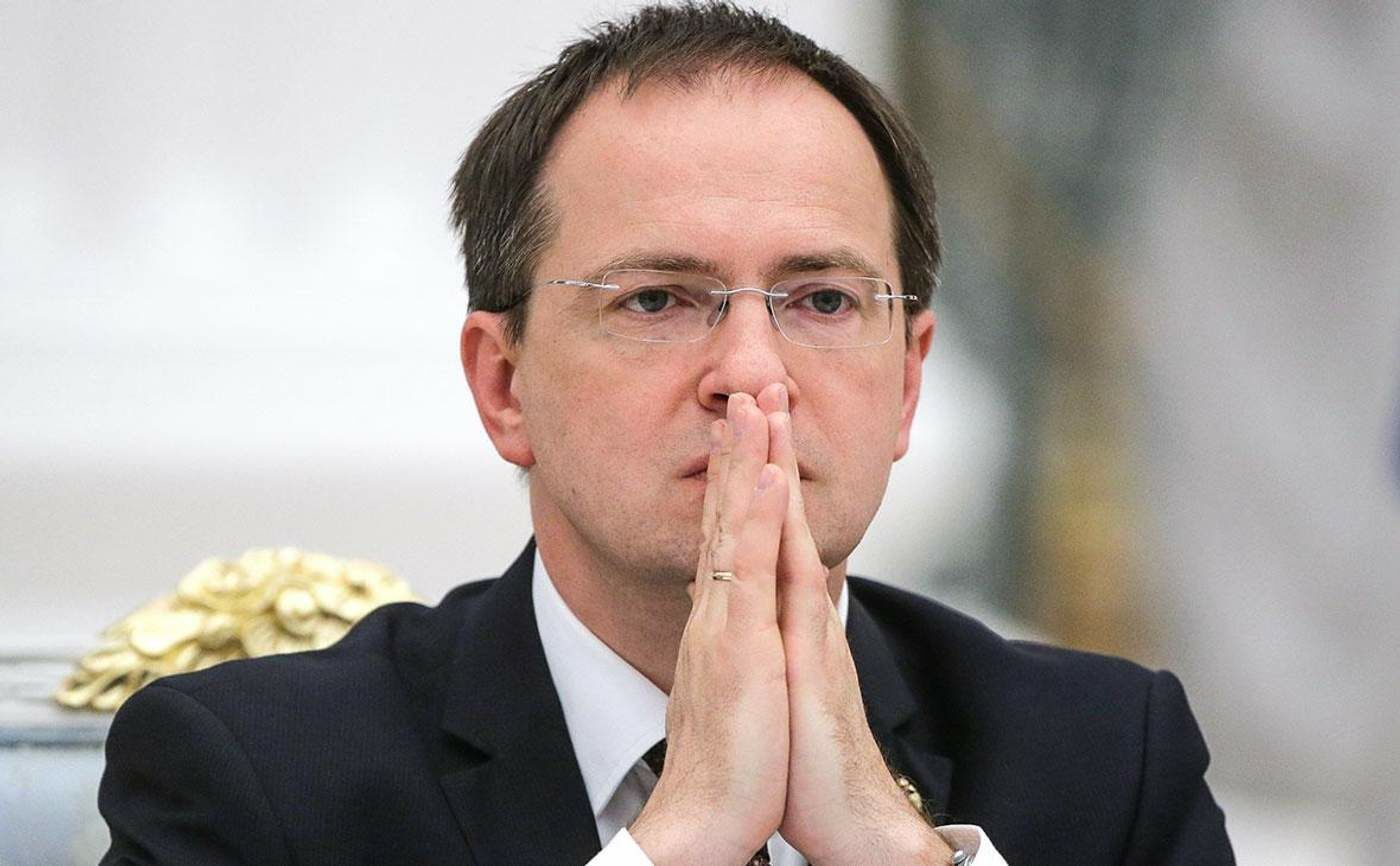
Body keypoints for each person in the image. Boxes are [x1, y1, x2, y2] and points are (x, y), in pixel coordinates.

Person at [96, 4, 1234, 865]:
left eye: (822, 300)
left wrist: (889, 849)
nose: (752, 374)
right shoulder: (256, 782)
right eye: (657, 299)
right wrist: (676, 839)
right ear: (504, 384)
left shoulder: (1106, 762)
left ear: (905, 383)